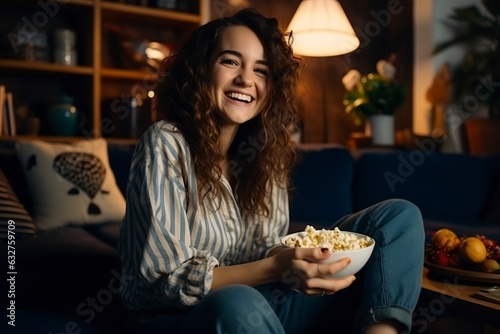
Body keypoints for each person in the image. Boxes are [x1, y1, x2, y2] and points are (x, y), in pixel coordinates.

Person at [118, 8, 425, 334]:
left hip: (259, 305)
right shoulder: (166, 143)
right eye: (231, 61)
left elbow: (266, 248)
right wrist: (277, 266)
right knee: (236, 301)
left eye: (261, 70)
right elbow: (164, 280)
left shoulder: (264, 155)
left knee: (398, 218)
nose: (246, 79)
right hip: (177, 320)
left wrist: (300, 262)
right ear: (200, 70)